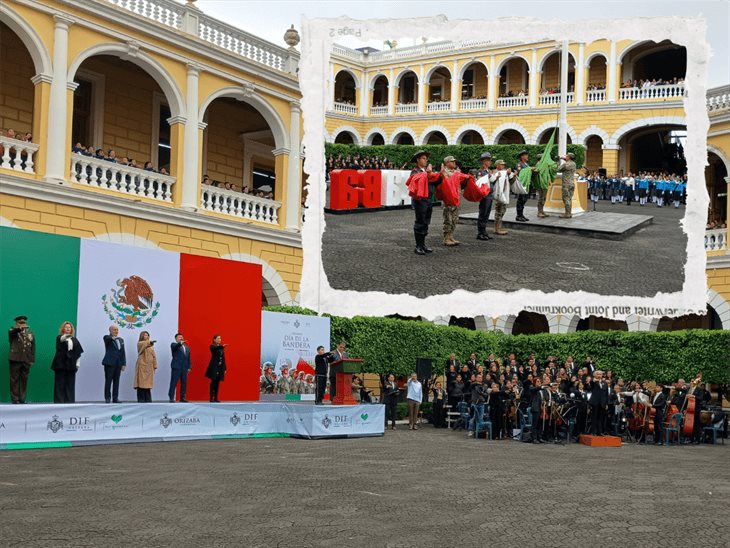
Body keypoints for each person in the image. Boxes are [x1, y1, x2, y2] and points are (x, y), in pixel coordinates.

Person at [407, 150, 443, 255]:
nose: (425, 160)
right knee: (420, 222)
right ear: (418, 160)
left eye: (426, 158)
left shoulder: (426, 171)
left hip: (428, 199)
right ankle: (418, 246)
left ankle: (423, 245)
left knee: (426, 222)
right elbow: (419, 179)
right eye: (423, 158)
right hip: (419, 200)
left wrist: (440, 175)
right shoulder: (415, 171)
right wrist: (428, 173)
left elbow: (435, 182)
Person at [51, 321, 83, 403]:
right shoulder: (59, 337)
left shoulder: (75, 340)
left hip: (71, 365)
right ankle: (59, 402)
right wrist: (66, 336)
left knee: (70, 384)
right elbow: (61, 340)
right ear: (63, 329)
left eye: (69, 327)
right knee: (60, 384)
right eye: (66, 327)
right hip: (60, 364)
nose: (68, 328)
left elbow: (78, 352)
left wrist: (77, 363)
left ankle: (69, 402)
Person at [8, 315, 35, 404]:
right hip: (15, 360)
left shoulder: (30, 333)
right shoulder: (12, 331)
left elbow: (33, 348)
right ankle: (15, 399)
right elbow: (12, 334)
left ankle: (22, 399)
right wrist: (19, 328)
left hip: (26, 360)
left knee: (24, 380)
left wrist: (32, 360)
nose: (22, 324)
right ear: (16, 323)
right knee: (14, 380)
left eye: (24, 323)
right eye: (20, 323)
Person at [102, 325, 126, 403]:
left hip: (118, 364)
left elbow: (123, 352)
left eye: (117, 330)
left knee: (116, 382)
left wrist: (123, 363)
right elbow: (107, 339)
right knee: (108, 381)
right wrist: (113, 338)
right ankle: (107, 397)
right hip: (109, 363)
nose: (116, 331)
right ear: (110, 331)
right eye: (114, 329)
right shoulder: (107, 337)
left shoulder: (121, 340)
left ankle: (115, 398)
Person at [475, 152, 495, 240]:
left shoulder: (488, 171)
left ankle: (484, 231)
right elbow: (480, 182)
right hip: (485, 195)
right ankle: (480, 233)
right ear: (484, 161)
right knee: (483, 213)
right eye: (489, 160)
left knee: (487, 214)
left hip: (490, 194)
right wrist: (488, 176)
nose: (490, 162)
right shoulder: (480, 171)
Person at [133, 331, 157, 403]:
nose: (146, 336)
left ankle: (148, 399)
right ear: (142, 336)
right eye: (144, 335)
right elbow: (145, 344)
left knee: (148, 384)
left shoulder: (151, 346)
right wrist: (150, 342)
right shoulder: (140, 343)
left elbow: (154, 355)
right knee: (141, 383)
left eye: (147, 335)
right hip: (142, 365)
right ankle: (141, 399)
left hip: (149, 366)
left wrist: (155, 365)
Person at [168, 333, 191, 402]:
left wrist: (189, 366)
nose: (181, 338)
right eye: (179, 337)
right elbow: (175, 347)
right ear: (176, 339)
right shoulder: (174, 345)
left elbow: (188, 358)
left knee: (184, 383)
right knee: (174, 382)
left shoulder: (187, 348)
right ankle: (171, 397)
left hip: (184, 368)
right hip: (176, 367)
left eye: (182, 337)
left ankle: (182, 398)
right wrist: (180, 343)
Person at [205, 335, 227, 402]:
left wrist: (225, 368)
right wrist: (222, 346)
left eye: (220, 338)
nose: (219, 339)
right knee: (213, 382)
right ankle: (211, 397)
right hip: (214, 367)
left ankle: (216, 398)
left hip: (220, 367)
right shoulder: (212, 346)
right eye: (218, 338)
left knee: (218, 383)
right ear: (214, 339)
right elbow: (214, 349)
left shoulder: (221, 347)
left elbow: (223, 358)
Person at [588, 370, 610, 435]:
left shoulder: (605, 383)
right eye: (598, 374)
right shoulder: (593, 382)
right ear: (595, 375)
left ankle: (599, 432)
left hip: (602, 403)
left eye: (600, 374)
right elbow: (590, 386)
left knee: (600, 418)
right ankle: (593, 432)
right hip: (595, 403)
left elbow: (606, 394)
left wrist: (606, 404)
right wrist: (593, 381)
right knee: (594, 417)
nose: (599, 375)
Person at [513, 150, 533, 222]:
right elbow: (520, 172)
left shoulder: (526, 164)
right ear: (522, 157)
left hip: (526, 184)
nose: (527, 156)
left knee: (524, 200)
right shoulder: (519, 164)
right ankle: (519, 215)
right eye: (526, 155)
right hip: (522, 184)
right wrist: (529, 169)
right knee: (520, 200)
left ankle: (521, 215)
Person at [557, 153, 577, 219]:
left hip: (566, 184)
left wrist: (559, 161)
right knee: (569, 198)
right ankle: (569, 213)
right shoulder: (574, 164)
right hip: (572, 183)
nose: (565, 156)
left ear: (569, 157)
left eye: (566, 156)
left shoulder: (565, 164)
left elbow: (558, 169)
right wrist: (565, 160)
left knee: (565, 198)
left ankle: (567, 213)